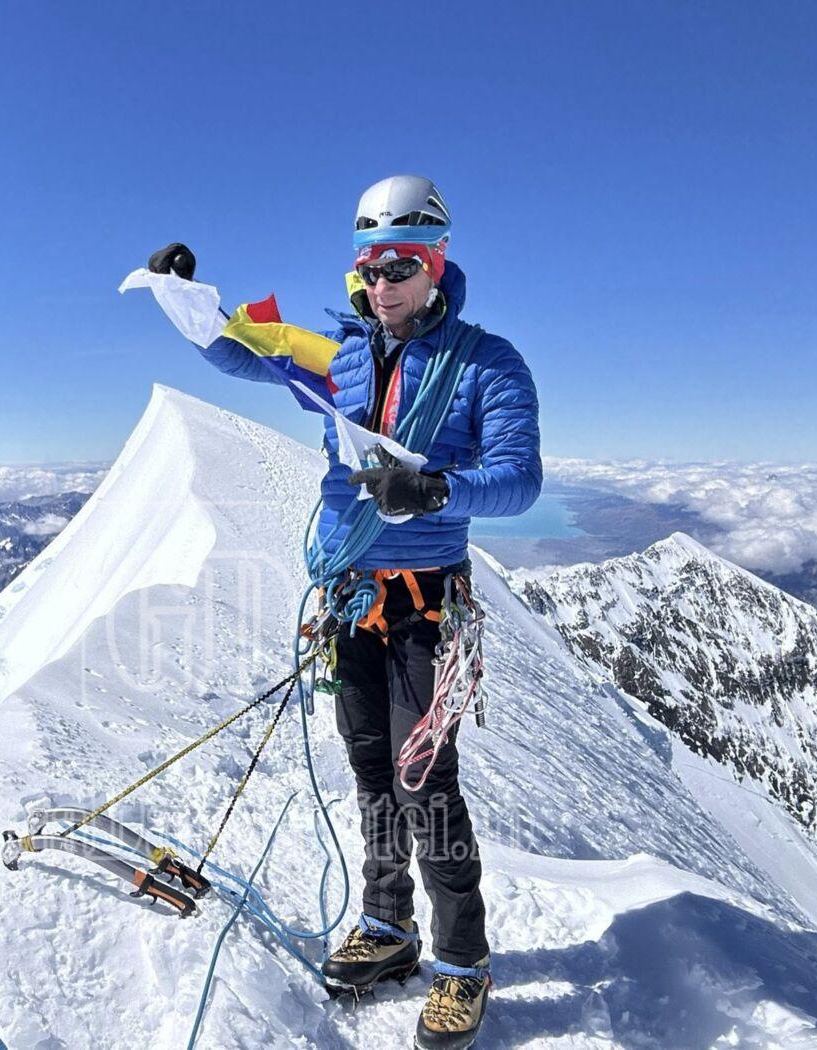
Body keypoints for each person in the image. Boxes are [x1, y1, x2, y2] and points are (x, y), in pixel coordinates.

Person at [149, 174, 541, 1048]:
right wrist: (186, 301)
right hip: (350, 598)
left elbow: (520, 478)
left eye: (401, 263)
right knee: (370, 768)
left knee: (420, 777)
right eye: (369, 264)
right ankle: (389, 926)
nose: (383, 280)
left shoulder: (488, 363)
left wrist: (435, 487)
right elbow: (249, 352)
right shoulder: (343, 348)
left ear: (436, 265)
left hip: (426, 604)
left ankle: (463, 961)